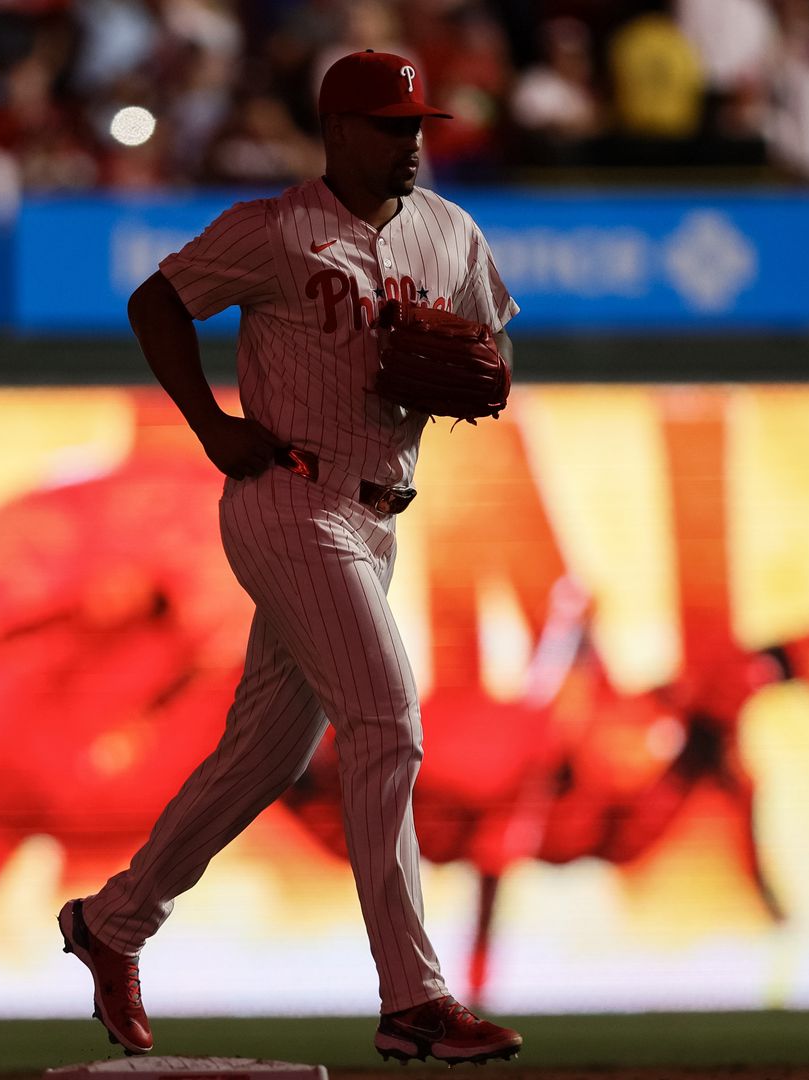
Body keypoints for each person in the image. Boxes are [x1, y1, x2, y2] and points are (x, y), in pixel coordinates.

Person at [58, 49, 523, 1067]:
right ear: (337, 131)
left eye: (417, 125)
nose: (411, 143)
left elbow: (494, 361)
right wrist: (211, 426)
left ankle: (114, 923)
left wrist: (477, 370)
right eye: (390, 126)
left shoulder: (452, 230)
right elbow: (157, 301)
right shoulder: (276, 231)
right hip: (288, 497)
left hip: (376, 517)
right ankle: (415, 999)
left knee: (263, 757)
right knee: (386, 722)